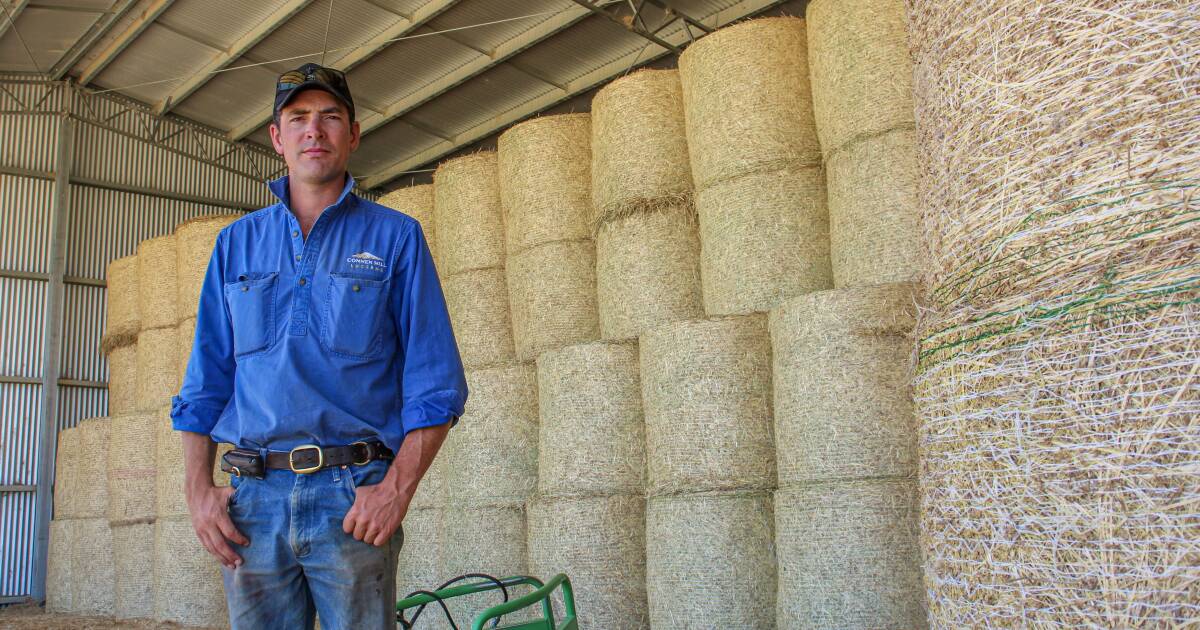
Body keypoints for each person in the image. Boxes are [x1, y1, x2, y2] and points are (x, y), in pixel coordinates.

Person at [169, 62, 468, 630]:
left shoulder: (395, 238)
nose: (315, 130)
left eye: (331, 117)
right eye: (298, 118)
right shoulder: (236, 245)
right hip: (251, 503)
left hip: (352, 499)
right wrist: (198, 492)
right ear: (277, 138)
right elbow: (205, 380)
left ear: (353, 135)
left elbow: (436, 383)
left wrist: (395, 491)